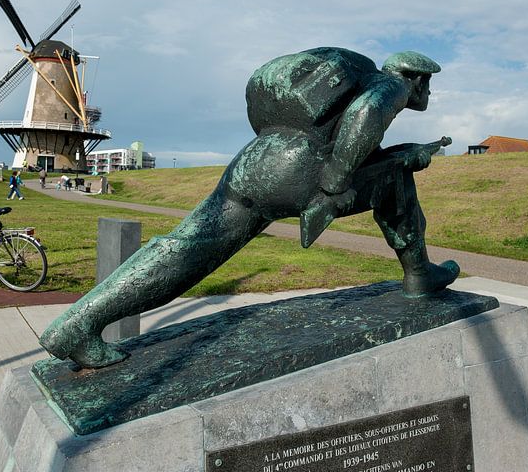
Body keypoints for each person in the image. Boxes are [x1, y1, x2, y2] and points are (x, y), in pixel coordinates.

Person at [40, 47, 460, 368]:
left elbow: (358, 140)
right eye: (427, 83)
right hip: (302, 169)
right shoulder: (390, 86)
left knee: (189, 247)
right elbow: (367, 114)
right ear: (415, 78)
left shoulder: (355, 78)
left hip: (260, 159)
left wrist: (395, 157)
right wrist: (335, 184)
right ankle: (419, 275)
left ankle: (77, 325)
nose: (427, 92)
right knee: (397, 177)